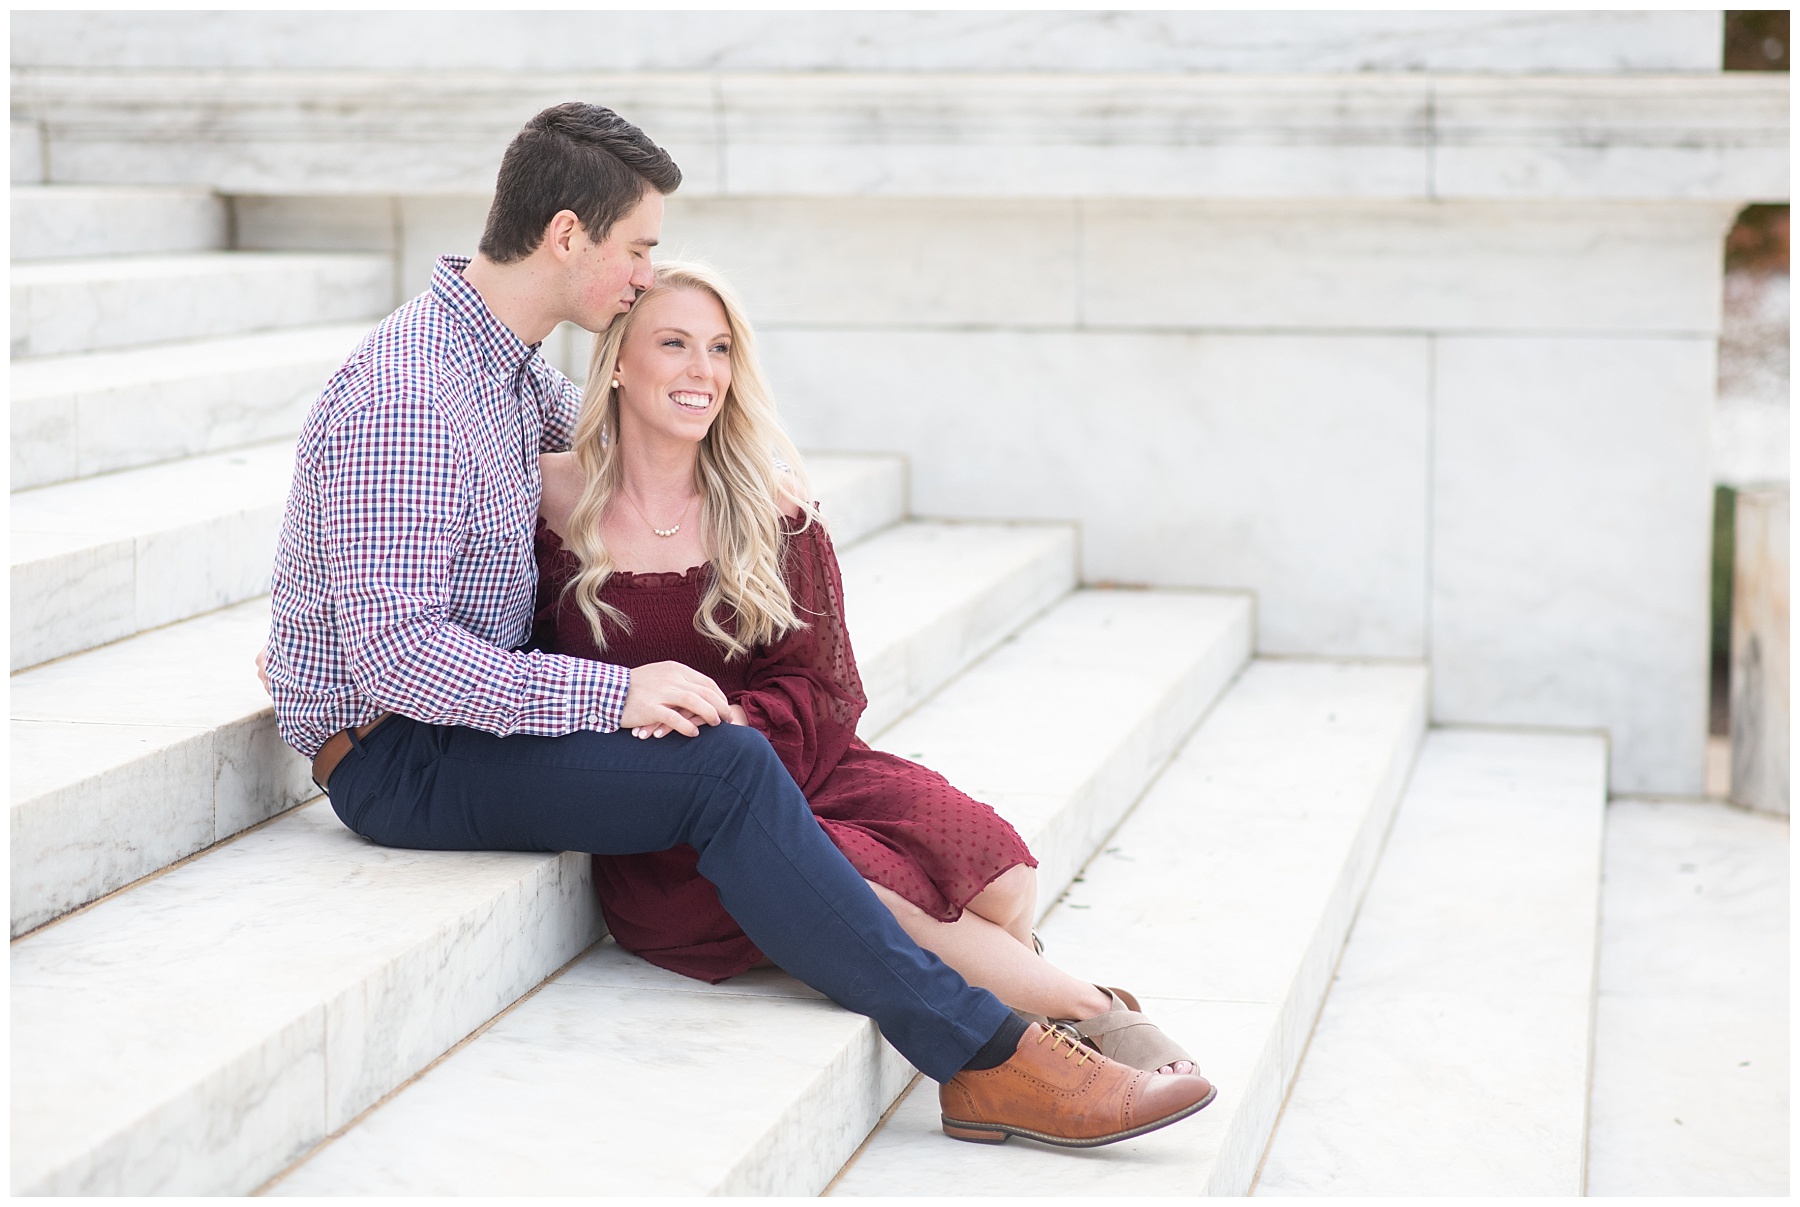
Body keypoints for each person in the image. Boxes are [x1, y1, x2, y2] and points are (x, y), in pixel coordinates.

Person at [262, 100, 1214, 1147]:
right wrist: (616, 686)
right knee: (726, 767)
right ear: (569, 234)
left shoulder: (503, 369)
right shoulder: (413, 393)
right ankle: (988, 1060)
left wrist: (757, 479)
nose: (639, 276)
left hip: (469, 720)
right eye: (637, 249)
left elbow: (631, 440)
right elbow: (397, 656)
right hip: (405, 757)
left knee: (748, 768)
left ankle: (1036, 1027)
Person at [530, 259, 1199, 1078]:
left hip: (794, 755)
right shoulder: (552, 501)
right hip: (677, 825)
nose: (702, 371)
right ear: (619, 361)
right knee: (870, 884)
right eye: (674, 344)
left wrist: (740, 727)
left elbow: (823, 683)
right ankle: (1087, 1016)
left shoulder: (770, 507)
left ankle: (1016, 992)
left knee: (1006, 876)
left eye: (719, 348)